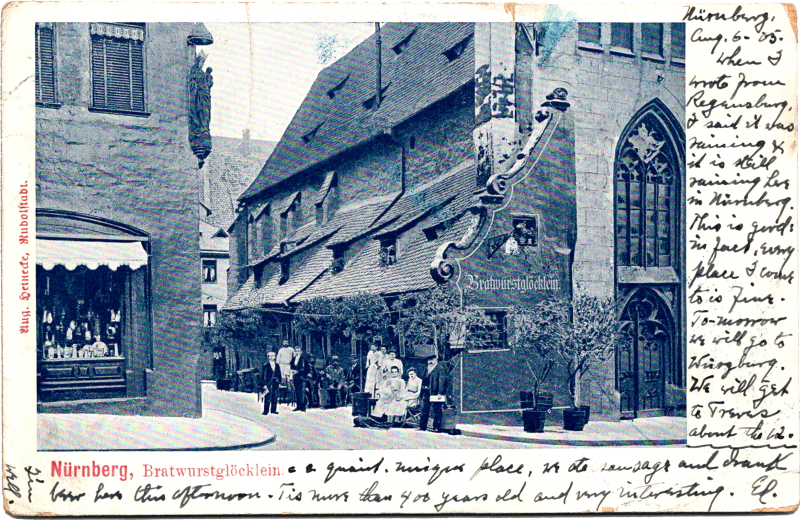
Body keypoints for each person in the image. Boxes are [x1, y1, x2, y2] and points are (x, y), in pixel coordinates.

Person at [419, 354, 450, 433]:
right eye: (429, 360)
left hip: (435, 392)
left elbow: (442, 381)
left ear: (436, 360)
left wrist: (440, 393)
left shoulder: (441, 369)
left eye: (432, 360)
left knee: (437, 410)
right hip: (426, 392)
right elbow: (424, 380)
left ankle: (436, 427)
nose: (430, 361)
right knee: (424, 409)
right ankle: (422, 427)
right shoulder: (426, 368)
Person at [290, 345, 310, 412]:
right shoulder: (293, 359)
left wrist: (298, 371)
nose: (297, 352)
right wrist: (292, 371)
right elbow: (291, 367)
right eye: (296, 351)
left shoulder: (304, 359)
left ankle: (303, 406)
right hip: (295, 377)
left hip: (302, 378)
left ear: (301, 352)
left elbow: (307, 369)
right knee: (297, 391)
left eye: (298, 351)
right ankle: (298, 406)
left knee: (302, 392)